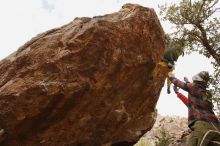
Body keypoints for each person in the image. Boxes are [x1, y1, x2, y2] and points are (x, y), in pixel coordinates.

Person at [169, 71, 220, 146]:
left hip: (202, 124)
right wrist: (179, 93)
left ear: (196, 80)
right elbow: (191, 103)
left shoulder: (193, 87)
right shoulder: (207, 93)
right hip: (215, 126)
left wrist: (170, 76)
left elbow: (177, 82)